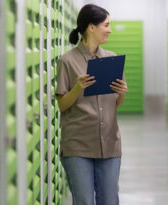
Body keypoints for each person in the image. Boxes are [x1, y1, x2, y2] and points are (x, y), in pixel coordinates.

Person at [55, 4, 127, 205]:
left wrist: (120, 93)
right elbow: (62, 105)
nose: (110, 30)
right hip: (78, 146)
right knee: (84, 201)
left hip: (109, 144)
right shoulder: (67, 61)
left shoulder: (111, 59)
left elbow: (114, 103)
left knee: (109, 201)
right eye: (106, 25)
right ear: (91, 27)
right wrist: (78, 88)